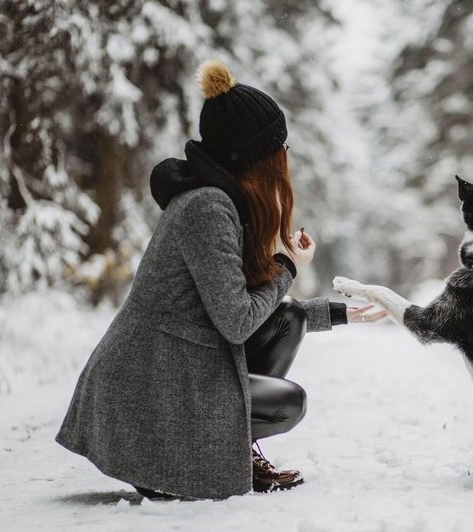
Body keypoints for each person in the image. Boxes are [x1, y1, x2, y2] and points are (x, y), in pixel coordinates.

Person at [55, 59, 386, 500]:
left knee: (288, 317)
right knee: (289, 403)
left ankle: (229, 451)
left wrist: (342, 313)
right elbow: (236, 321)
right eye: (278, 145)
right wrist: (287, 265)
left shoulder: (222, 202)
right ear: (252, 155)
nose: (284, 155)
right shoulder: (208, 208)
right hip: (146, 394)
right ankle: (179, 459)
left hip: (171, 372)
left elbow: (257, 306)